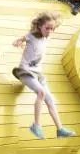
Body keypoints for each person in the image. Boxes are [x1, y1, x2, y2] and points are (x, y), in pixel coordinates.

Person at [11, 12, 75, 140]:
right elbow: (21, 39)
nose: (50, 31)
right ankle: (36, 125)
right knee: (41, 92)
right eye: (47, 28)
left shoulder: (46, 37)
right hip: (25, 72)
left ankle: (60, 129)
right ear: (39, 26)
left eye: (52, 29)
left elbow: (50, 28)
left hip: (38, 74)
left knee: (50, 100)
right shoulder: (31, 36)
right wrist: (18, 42)